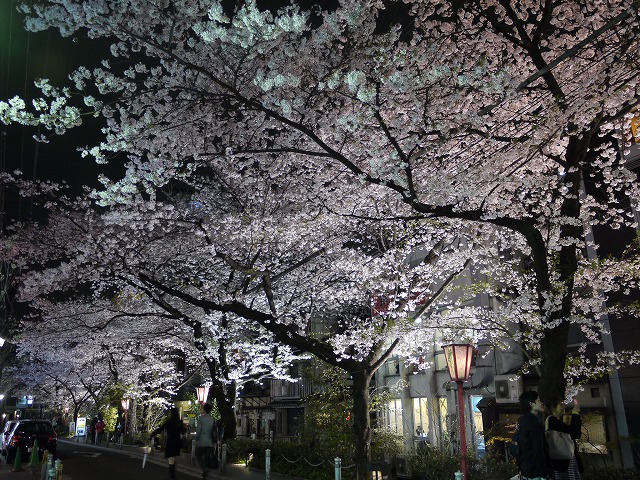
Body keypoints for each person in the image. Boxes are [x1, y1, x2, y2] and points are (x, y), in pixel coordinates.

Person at [516, 390, 551, 480]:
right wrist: (544, 471)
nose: (541, 402)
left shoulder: (523, 419)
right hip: (535, 470)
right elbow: (537, 448)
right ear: (532, 404)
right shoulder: (533, 422)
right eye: (538, 400)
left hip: (526, 467)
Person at [545, 398, 582, 480]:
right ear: (553, 408)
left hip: (563, 460)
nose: (564, 406)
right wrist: (575, 413)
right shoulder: (552, 420)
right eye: (561, 404)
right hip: (563, 461)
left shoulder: (554, 421)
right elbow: (574, 433)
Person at [150, 407, 187, 480]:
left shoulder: (169, 422)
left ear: (171, 414)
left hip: (170, 442)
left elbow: (160, 429)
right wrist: (185, 428)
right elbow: (183, 432)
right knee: (172, 459)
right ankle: (172, 475)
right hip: (177, 443)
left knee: (171, 460)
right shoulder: (179, 422)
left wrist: (152, 435)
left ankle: (172, 476)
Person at [195, 403, 217, 480]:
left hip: (202, 441)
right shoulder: (212, 419)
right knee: (207, 457)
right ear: (210, 410)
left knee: (198, 455)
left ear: (204, 409)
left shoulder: (201, 419)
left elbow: (198, 431)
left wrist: (196, 439)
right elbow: (214, 431)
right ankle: (204, 474)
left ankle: (204, 469)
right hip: (210, 442)